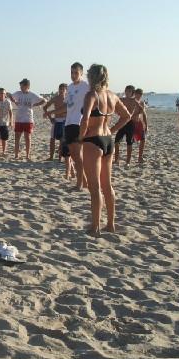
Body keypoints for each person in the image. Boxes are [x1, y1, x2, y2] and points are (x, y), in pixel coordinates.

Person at [79, 64, 131, 236]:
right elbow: (127, 116)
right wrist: (112, 130)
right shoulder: (112, 96)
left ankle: (95, 227)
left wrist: (80, 138)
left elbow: (85, 119)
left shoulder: (91, 95)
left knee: (95, 188)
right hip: (108, 140)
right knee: (107, 186)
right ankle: (110, 224)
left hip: (93, 140)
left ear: (91, 77)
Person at [64, 63, 89, 188]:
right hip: (68, 122)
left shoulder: (86, 86)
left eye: (76, 73)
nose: (73, 75)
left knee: (78, 154)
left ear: (81, 73)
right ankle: (84, 180)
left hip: (78, 122)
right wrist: (51, 112)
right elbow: (67, 105)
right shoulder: (69, 87)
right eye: (72, 73)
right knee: (72, 154)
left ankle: (79, 183)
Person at [10, 78, 46, 161]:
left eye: (22, 86)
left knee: (27, 138)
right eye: (20, 86)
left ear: (27, 86)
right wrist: (14, 101)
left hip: (28, 119)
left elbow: (43, 100)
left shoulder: (32, 94)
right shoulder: (18, 93)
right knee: (17, 137)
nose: (20, 88)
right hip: (19, 119)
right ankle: (16, 155)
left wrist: (35, 105)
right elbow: (10, 96)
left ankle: (27, 155)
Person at [43, 83, 67, 161]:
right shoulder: (55, 98)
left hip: (65, 120)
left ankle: (60, 157)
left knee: (62, 140)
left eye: (63, 89)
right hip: (56, 120)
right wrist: (50, 118)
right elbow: (45, 107)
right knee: (52, 139)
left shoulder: (68, 99)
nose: (61, 91)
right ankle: (51, 157)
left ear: (66, 90)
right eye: (60, 89)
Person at [113, 85, 136, 167]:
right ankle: (116, 160)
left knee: (129, 143)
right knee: (116, 141)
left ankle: (128, 161)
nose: (127, 92)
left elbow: (133, 113)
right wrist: (117, 112)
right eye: (126, 91)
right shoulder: (121, 99)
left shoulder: (134, 101)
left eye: (129, 91)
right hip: (121, 122)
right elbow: (114, 107)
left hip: (130, 123)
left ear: (132, 93)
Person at [131, 88, 149, 164]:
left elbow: (144, 114)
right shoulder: (131, 101)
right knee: (130, 141)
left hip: (139, 123)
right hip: (131, 122)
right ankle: (128, 158)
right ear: (135, 94)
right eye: (137, 94)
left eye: (140, 94)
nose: (139, 96)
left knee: (143, 139)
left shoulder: (142, 103)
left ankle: (140, 157)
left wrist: (146, 125)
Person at [0, 88, 13, 157]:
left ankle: (3, 151)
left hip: (5, 123)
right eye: (0, 93)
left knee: (4, 138)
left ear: (5, 94)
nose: (2, 94)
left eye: (3, 93)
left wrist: (11, 121)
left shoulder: (8, 102)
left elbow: (11, 112)